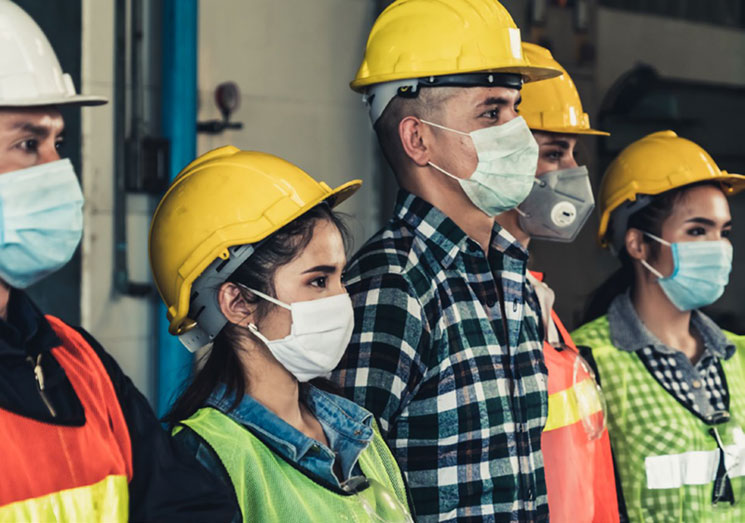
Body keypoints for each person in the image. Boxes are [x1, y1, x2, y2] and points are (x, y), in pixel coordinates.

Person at [0, 2, 234, 520]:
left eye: (57, 142)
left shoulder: (75, 360)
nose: (59, 170)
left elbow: (192, 507)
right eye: (27, 142)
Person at [330, 0, 562, 520]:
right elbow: (350, 491)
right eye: (491, 112)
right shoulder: (392, 286)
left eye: (515, 110)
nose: (518, 133)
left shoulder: (510, 275)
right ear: (418, 139)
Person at [148, 145, 414, 523]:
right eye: (318, 281)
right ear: (238, 302)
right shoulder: (203, 457)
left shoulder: (357, 430)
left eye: (340, 278)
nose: (342, 299)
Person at [571, 130, 745, 521]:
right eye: (698, 230)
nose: (718, 247)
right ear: (637, 244)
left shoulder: (741, 356)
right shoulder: (585, 364)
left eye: (724, 232)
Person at [495, 43, 619, 522]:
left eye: (572, 152)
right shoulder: (483, 301)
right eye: (553, 152)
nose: (573, 172)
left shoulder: (536, 296)